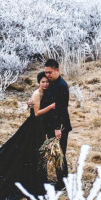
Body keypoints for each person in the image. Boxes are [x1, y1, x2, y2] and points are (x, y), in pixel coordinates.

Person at [31, 58, 72, 189]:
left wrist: (57, 128)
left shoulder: (61, 86)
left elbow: (61, 109)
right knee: (55, 153)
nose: (47, 75)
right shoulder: (52, 82)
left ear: (57, 70)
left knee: (60, 153)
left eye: (49, 72)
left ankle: (63, 183)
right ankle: (60, 181)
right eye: (46, 72)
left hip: (60, 126)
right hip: (49, 125)